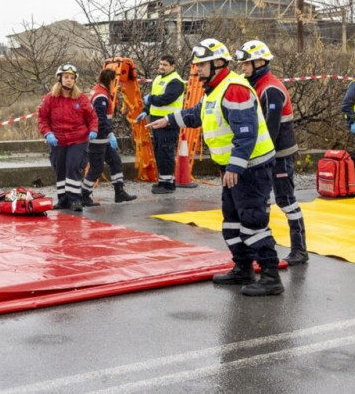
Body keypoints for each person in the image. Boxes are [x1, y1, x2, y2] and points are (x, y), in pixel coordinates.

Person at [148, 38, 282, 296]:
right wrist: (168, 121)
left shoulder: (234, 89)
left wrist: (234, 167)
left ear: (218, 63)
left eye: (201, 64)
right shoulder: (216, 89)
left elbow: (246, 133)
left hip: (249, 169)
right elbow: (198, 113)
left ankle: (270, 276)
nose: (197, 69)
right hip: (232, 169)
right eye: (197, 65)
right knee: (232, 223)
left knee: (253, 222)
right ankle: (243, 268)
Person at [235, 40, 308, 266]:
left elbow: (271, 129)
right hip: (267, 154)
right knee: (263, 200)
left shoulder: (270, 89)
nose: (243, 67)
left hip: (279, 155)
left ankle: (299, 249)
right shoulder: (256, 84)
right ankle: (264, 245)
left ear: (260, 62)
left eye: (247, 63)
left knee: (286, 200)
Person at [38, 63, 98, 212]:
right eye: (66, 77)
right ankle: (63, 200)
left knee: (73, 167)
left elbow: (92, 117)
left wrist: (93, 129)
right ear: (60, 78)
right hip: (58, 140)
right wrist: (47, 133)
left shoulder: (81, 99)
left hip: (78, 139)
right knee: (60, 169)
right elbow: (42, 119)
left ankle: (75, 199)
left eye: (72, 78)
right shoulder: (50, 99)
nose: (69, 80)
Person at [81, 68, 136, 206]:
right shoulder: (101, 96)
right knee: (96, 168)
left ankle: (119, 192)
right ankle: (84, 194)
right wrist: (110, 133)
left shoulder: (99, 91)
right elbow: (100, 119)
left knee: (115, 161)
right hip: (98, 138)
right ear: (111, 81)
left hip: (102, 138)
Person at [136, 55, 186, 194]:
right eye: (160, 64)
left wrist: (150, 99)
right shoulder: (158, 79)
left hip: (169, 122)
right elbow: (153, 100)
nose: (161, 67)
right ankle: (163, 181)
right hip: (156, 121)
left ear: (172, 66)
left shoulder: (176, 82)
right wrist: (146, 111)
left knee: (166, 152)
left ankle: (168, 183)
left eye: (165, 64)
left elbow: (166, 99)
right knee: (159, 152)